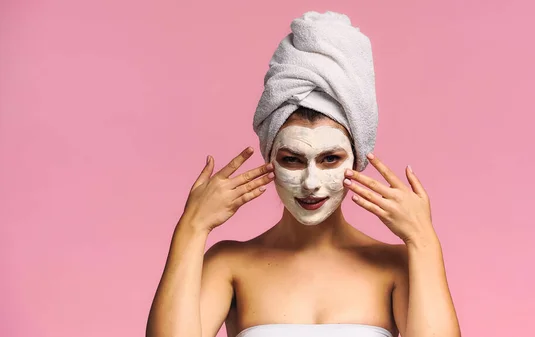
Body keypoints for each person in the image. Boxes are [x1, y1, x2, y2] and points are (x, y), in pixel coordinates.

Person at [146, 11, 460, 337]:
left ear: (356, 159)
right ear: (270, 158)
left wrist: (424, 241)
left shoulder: (396, 265)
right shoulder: (229, 263)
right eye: (293, 160)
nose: (311, 183)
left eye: (330, 159)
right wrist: (191, 228)